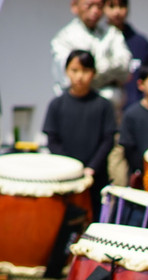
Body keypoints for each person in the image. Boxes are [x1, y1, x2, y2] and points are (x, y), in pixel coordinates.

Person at [43, 49, 117, 210]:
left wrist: (91, 168)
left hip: (95, 178)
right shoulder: (56, 104)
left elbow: (108, 140)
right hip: (64, 178)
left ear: (93, 73)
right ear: (66, 71)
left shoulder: (103, 105)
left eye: (85, 71)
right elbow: (52, 140)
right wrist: (70, 168)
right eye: (74, 70)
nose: (79, 76)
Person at [50, 0, 131, 114]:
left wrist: (96, 70)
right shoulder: (65, 37)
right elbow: (66, 78)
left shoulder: (112, 33)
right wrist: (107, 71)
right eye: (89, 6)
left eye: (99, 6)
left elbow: (125, 68)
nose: (95, 11)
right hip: (77, 109)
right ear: (75, 6)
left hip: (111, 107)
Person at [103, 0, 148, 110]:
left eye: (121, 6)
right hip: (105, 110)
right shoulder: (97, 42)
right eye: (111, 6)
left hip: (136, 111)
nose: (117, 11)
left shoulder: (141, 43)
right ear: (102, 8)